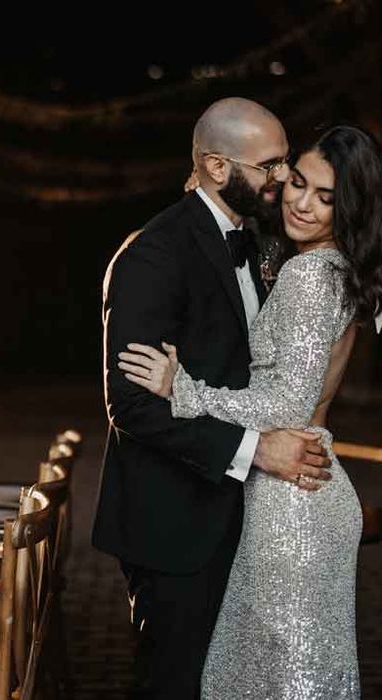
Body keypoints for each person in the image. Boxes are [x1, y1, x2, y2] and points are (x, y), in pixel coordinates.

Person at [119, 125, 382, 698]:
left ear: (351, 207)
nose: (300, 202)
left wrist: (184, 388)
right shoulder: (319, 264)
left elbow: (285, 403)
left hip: (293, 503)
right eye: (296, 182)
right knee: (289, 673)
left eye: (326, 197)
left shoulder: (311, 275)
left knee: (282, 676)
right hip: (297, 490)